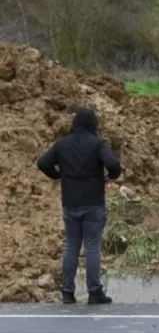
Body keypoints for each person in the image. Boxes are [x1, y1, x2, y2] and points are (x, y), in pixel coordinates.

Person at [36, 107, 121, 305]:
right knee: (92, 246)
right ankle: (94, 291)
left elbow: (42, 163)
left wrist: (58, 175)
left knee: (71, 246)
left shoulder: (62, 144)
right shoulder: (98, 143)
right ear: (94, 124)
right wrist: (111, 177)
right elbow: (113, 164)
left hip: (70, 203)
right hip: (93, 203)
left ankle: (67, 291)